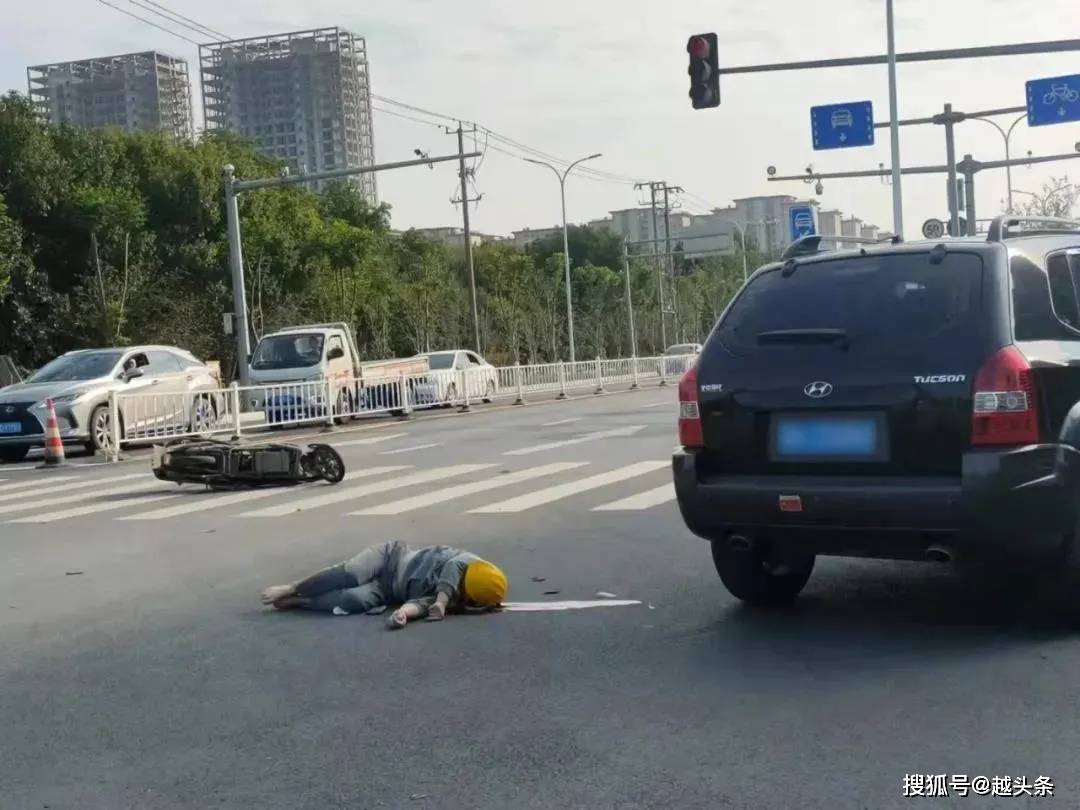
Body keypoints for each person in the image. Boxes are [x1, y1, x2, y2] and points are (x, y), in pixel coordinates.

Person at [260, 541, 508, 629]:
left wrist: (402, 614)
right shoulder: (468, 562)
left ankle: (302, 601)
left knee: (353, 601)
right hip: (389, 557)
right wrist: (442, 600)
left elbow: (419, 605)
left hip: (387, 590)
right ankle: (293, 587)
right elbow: (452, 571)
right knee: (352, 574)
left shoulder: (456, 599)